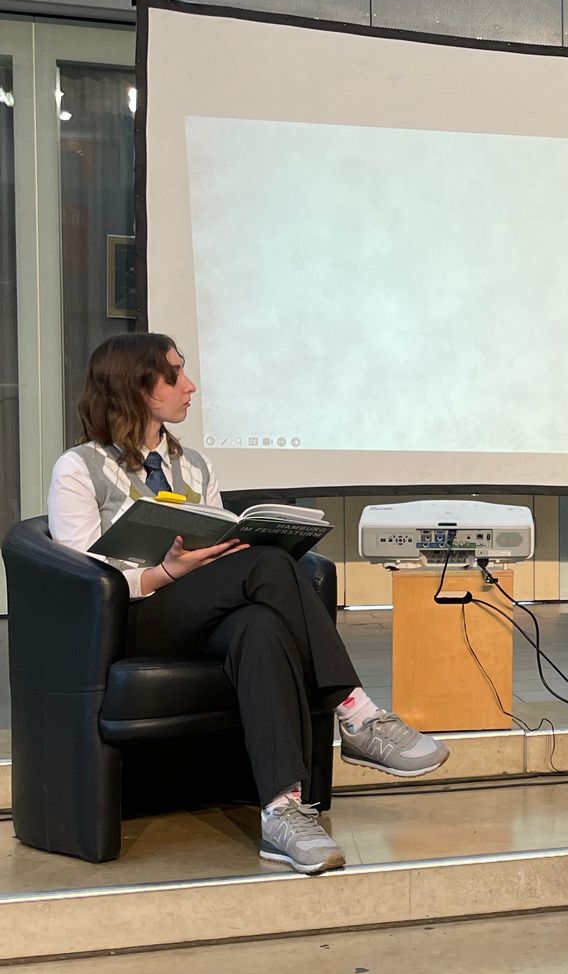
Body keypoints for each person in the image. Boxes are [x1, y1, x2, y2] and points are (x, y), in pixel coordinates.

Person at [47, 333, 447, 873]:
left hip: (202, 611)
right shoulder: (79, 468)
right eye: (174, 376)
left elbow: (215, 542)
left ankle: (282, 813)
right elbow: (80, 581)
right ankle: (355, 714)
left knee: (262, 627)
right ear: (136, 388)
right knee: (268, 566)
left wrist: (223, 552)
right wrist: (167, 571)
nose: (190, 386)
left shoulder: (194, 466)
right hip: (133, 617)